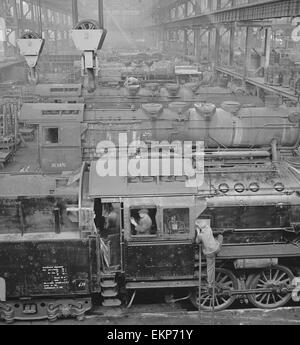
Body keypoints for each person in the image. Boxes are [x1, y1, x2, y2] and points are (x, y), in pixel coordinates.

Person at [195, 218, 223, 288]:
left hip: (209, 253)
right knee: (220, 236)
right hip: (216, 249)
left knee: (210, 268)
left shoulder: (200, 235)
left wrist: (198, 232)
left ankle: (210, 283)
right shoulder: (209, 228)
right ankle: (217, 249)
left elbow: (197, 242)